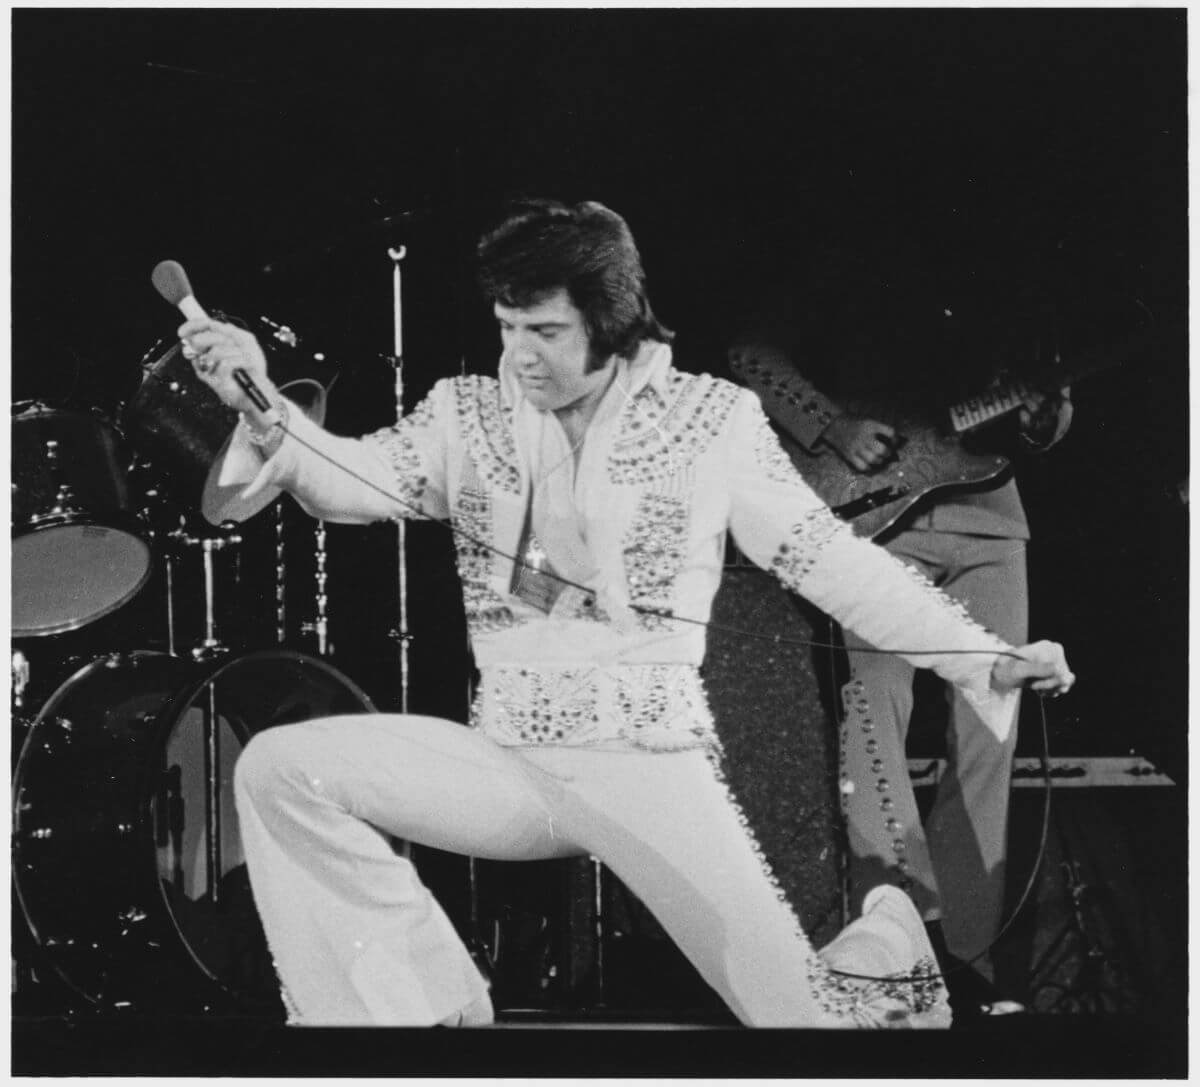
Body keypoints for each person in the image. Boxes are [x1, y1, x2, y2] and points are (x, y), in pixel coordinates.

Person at [178, 198, 1073, 1028]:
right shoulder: (470, 412)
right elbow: (346, 482)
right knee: (280, 768)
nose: (520, 351)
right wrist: (255, 397)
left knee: (799, 1023)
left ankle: (885, 938)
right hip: (512, 759)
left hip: (643, 764)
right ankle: (425, 1024)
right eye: (507, 327)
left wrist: (980, 656)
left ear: (609, 326)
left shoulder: (708, 420)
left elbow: (830, 561)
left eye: (545, 330)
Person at [728, 253, 1074, 1016]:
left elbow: (1038, 411)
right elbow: (750, 355)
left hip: (992, 519)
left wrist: (1046, 420)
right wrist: (831, 425)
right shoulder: (843, 261)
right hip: (879, 520)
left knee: (991, 728)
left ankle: (969, 959)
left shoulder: (1006, 278)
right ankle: (896, 936)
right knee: (873, 714)